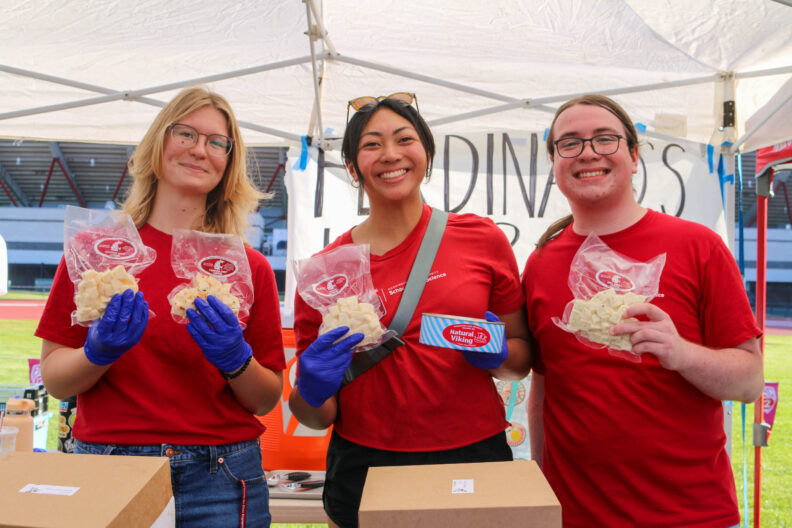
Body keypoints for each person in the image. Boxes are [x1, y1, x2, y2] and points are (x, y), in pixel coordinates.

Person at [36, 86, 286, 527]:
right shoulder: (94, 252)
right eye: (185, 133)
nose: (199, 150)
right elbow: (55, 380)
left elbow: (265, 399)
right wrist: (99, 352)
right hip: (110, 466)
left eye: (216, 142)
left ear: (228, 161)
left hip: (222, 475)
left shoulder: (249, 267)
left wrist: (235, 359)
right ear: (158, 144)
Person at [289, 94, 533, 528]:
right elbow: (314, 414)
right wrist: (310, 387)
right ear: (351, 167)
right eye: (371, 145)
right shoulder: (326, 272)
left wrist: (499, 355)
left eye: (405, 139)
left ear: (426, 154)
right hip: (366, 462)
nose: (390, 154)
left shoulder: (481, 238)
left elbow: (521, 361)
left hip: (473, 454)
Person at [523, 93, 764, 528]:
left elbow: (748, 381)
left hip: (692, 515)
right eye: (570, 143)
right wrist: (544, 493)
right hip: (577, 517)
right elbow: (544, 389)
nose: (588, 152)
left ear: (634, 156)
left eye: (604, 139)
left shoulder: (698, 246)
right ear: (555, 163)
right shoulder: (541, 263)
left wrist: (681, 353)